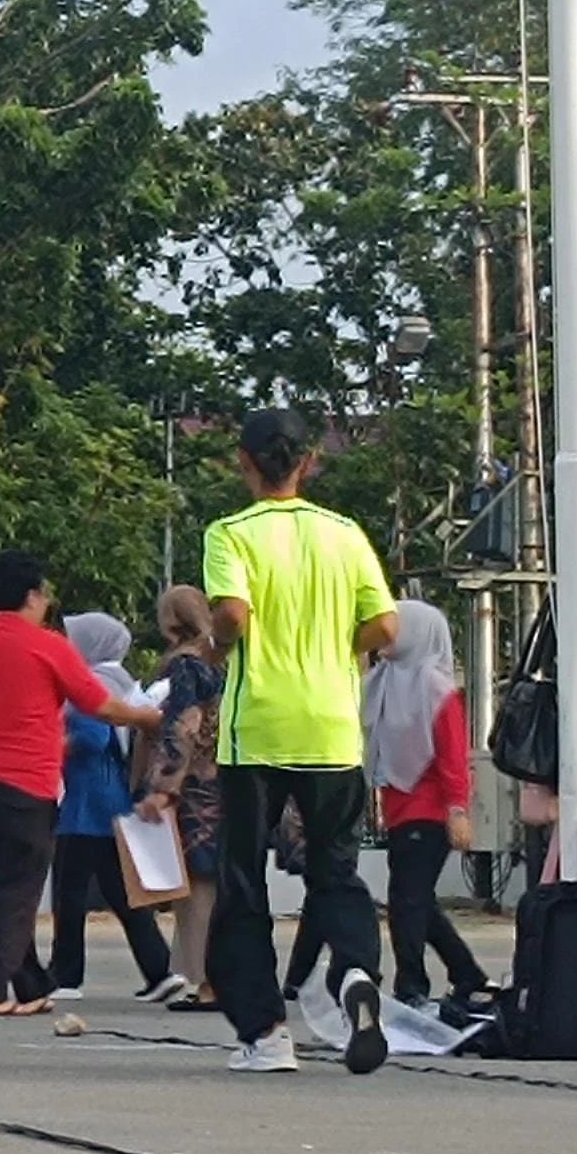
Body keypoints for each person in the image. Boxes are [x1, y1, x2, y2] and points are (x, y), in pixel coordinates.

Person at [203, 406, 402, 1075]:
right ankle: (352, 974)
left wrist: (217, 642)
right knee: (334, 868)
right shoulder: (343, 533)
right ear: (307, 464)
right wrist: (335, 651)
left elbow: (231, 613)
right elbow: (385, 625)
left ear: (244, 462)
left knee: (242, 879)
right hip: (330, 724)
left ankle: (263, 1033)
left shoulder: (230, 533)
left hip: (255, 725)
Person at [0, 551, 164, 1016]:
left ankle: (32, 985)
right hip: (28, 781)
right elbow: (99, 705)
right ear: (32, 595)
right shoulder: (48, 645)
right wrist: (147, 718)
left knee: (4, 883)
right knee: (20, 888)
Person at [45, 612, 183, 1005]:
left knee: (69, 894)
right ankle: (159, 970)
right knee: (122, 894)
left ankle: (66, 974)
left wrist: (58, 742)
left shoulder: (95, 683)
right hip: (112, 798)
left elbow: (91, 735)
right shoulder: (122, 682)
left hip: (87, 801)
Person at [365, 599, 494, 1016]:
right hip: (399, 806)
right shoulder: (384, 679)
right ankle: (467, 972)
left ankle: (412, 986)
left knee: (405, 899)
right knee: (417, 900)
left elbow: (453, 753)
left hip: (431, 808)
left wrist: (458, 808)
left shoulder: (436, 687)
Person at [137, 584, 228, 1013]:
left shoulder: (185, 667)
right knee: (214, 881)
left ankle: (201, 977)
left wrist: (163, 785)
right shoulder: (223, 660)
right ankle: (196, 971)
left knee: (196, 887)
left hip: (194, 789)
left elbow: (185, 726)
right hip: (227, 780)